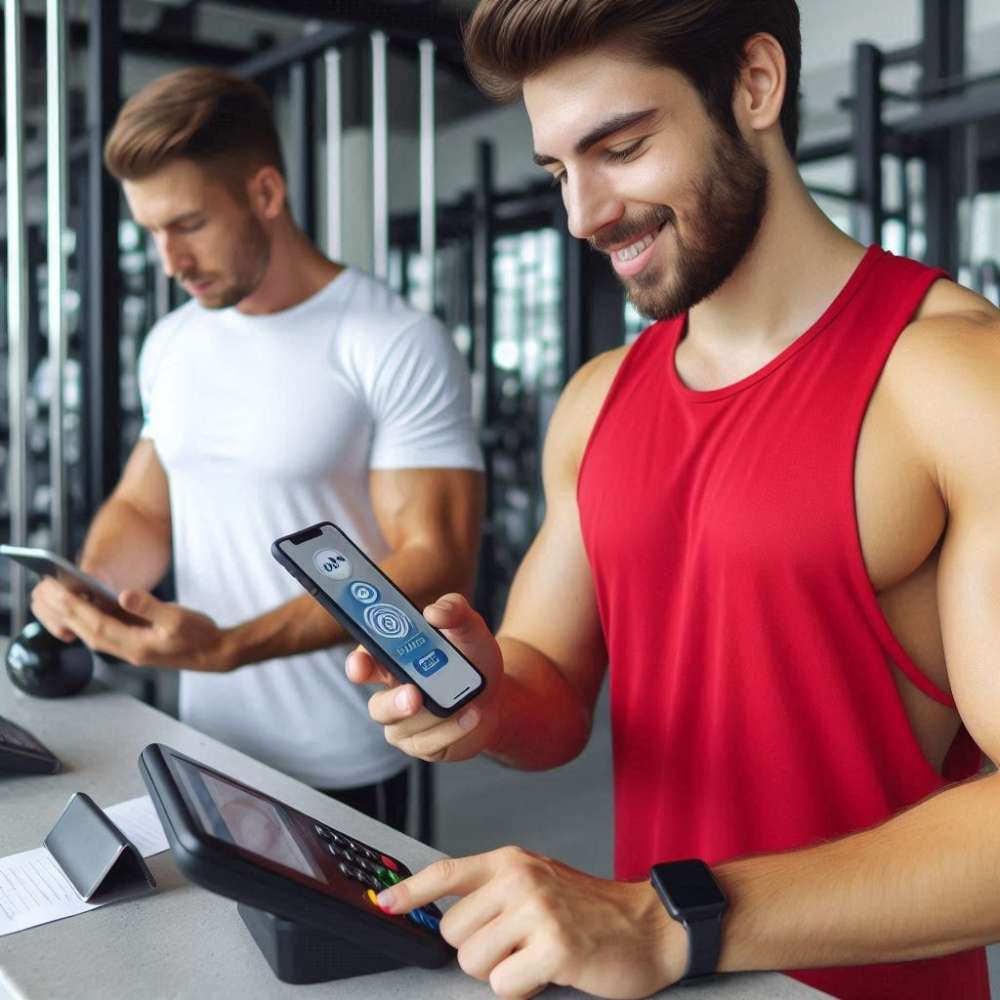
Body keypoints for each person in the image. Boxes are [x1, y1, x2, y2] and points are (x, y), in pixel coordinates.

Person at [345, 1, 1000, 997]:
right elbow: (552, 686)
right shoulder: (598, 398)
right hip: (661, 976)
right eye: (559, 170)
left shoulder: (953, 379)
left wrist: (666, 919)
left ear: (755, 85)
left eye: (621, 148)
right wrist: (482, 698)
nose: (582, 214)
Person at [30, 67, 484, 832]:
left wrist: (230, 647)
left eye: (188, 224)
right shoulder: (172, 342)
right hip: (204, 743)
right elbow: (146, 505)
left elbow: (435, 560)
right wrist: (95, 587)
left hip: (341, 756)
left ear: (265, 194)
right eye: (152, 231)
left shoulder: (392, 342)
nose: (170, 260)